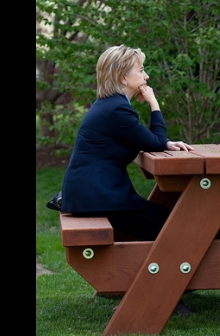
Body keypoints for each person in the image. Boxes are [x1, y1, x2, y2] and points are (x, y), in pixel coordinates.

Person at [60, 45, 195, 313]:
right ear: (124, 77)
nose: (146, 77)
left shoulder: (112, 106)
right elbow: (155, 143)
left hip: (94, 194)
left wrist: (164, 142)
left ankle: (161, 286)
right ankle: (164, 294)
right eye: (141, 71)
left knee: (166, 221)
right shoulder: (117, 110)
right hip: (99, 197)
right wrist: (155, 104)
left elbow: (151, 141)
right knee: (173, 225)